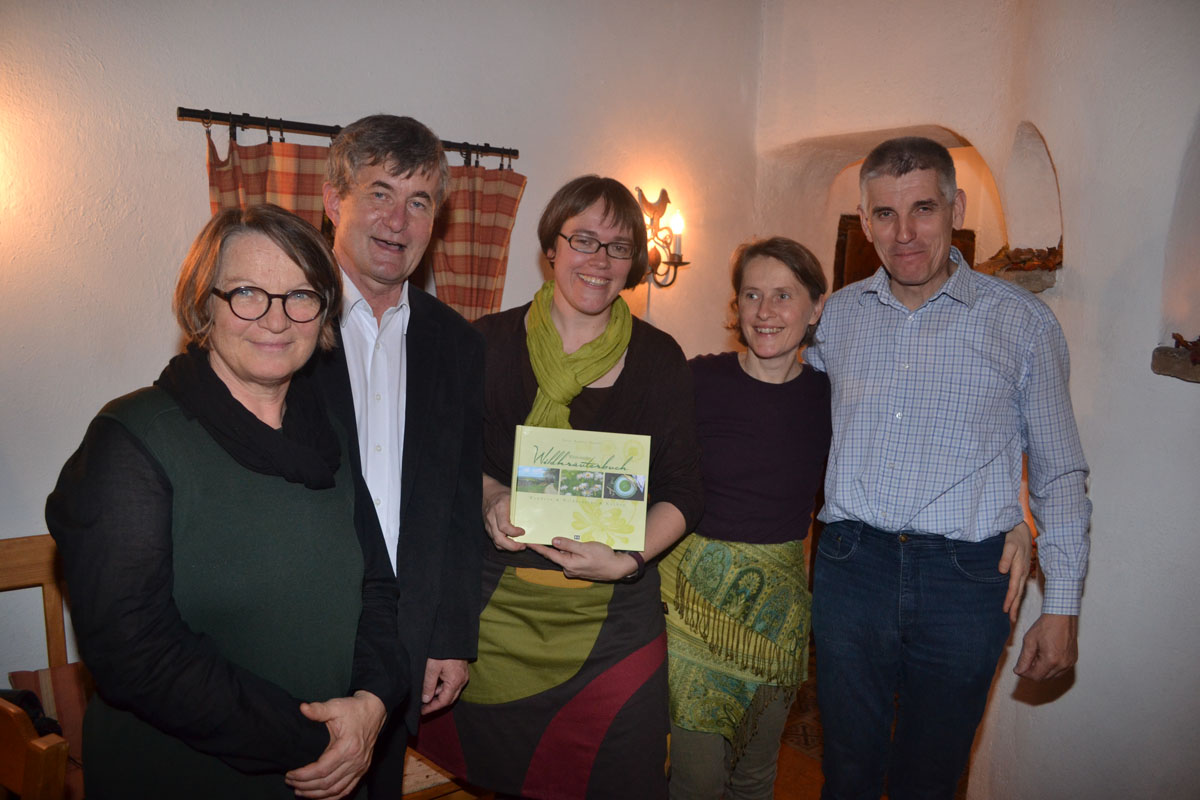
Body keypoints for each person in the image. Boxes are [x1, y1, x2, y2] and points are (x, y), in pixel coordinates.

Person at [45, 204, 405, 800]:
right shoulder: (132, 439)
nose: (276, 318)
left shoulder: (330, 435)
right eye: (246, 293)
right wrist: (320, 742)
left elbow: (378, 589)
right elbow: (136, 654)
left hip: (335, 769)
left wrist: (371, 704)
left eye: (300, 296)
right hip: (188, 777)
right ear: (203, 306)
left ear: (323, 313)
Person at [806, 136, 1091, 799]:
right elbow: (785, 416)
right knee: (845, 772)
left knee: (931, 778)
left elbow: (1058, 473)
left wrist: (1062, 604)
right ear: (864, 219)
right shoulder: (836, 318)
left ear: (956, 208)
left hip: (966, 583)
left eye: (923, 209)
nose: (903, 233)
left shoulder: (1022, 323)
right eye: (885, 213)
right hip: (851, 567)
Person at [416, 175, 705, 799]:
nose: (599, 260)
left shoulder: (660, 358)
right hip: (496, 615)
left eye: (619, 247)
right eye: (584, 239)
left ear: (635, 262)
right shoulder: (484, 343)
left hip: (614, 623)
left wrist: (627, 558)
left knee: (617, 779)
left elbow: (685, 489)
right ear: (552, 247)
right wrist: (492, 497)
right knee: (495, 778)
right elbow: (449, 465)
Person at [309, 114, 485, 792]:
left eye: (419, 202)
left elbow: (459, 504)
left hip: (404, 644)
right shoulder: (282, 324)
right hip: (301, 628)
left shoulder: (458, 344)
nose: (398, 221)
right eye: (379, 193)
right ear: (334, 201)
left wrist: (451, 637)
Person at [661, 237, 830, 800]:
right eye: (752, 294)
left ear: (816, 307)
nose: (765, 311)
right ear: (736, 306)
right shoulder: (697, 379)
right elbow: (641, 460)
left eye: (784, 295)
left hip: (776, 619)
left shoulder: (830, 397)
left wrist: (1011, 523)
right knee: (697, 780)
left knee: (755, 779)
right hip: (692, 611)